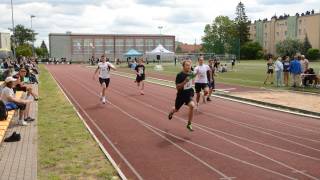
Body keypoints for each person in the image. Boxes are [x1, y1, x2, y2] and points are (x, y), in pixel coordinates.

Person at [168, 60, 195, 131]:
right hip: (181, 95)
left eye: (189, 65)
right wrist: (185, 81)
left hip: (188, 94)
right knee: (176, 109)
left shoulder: (191, 73)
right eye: (187, 65)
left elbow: (194, 76)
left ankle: (189, 124)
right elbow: (177, 87)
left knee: (192, 105)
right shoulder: (179, 75)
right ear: (183, 66)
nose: (189, 66)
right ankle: (171, 112)